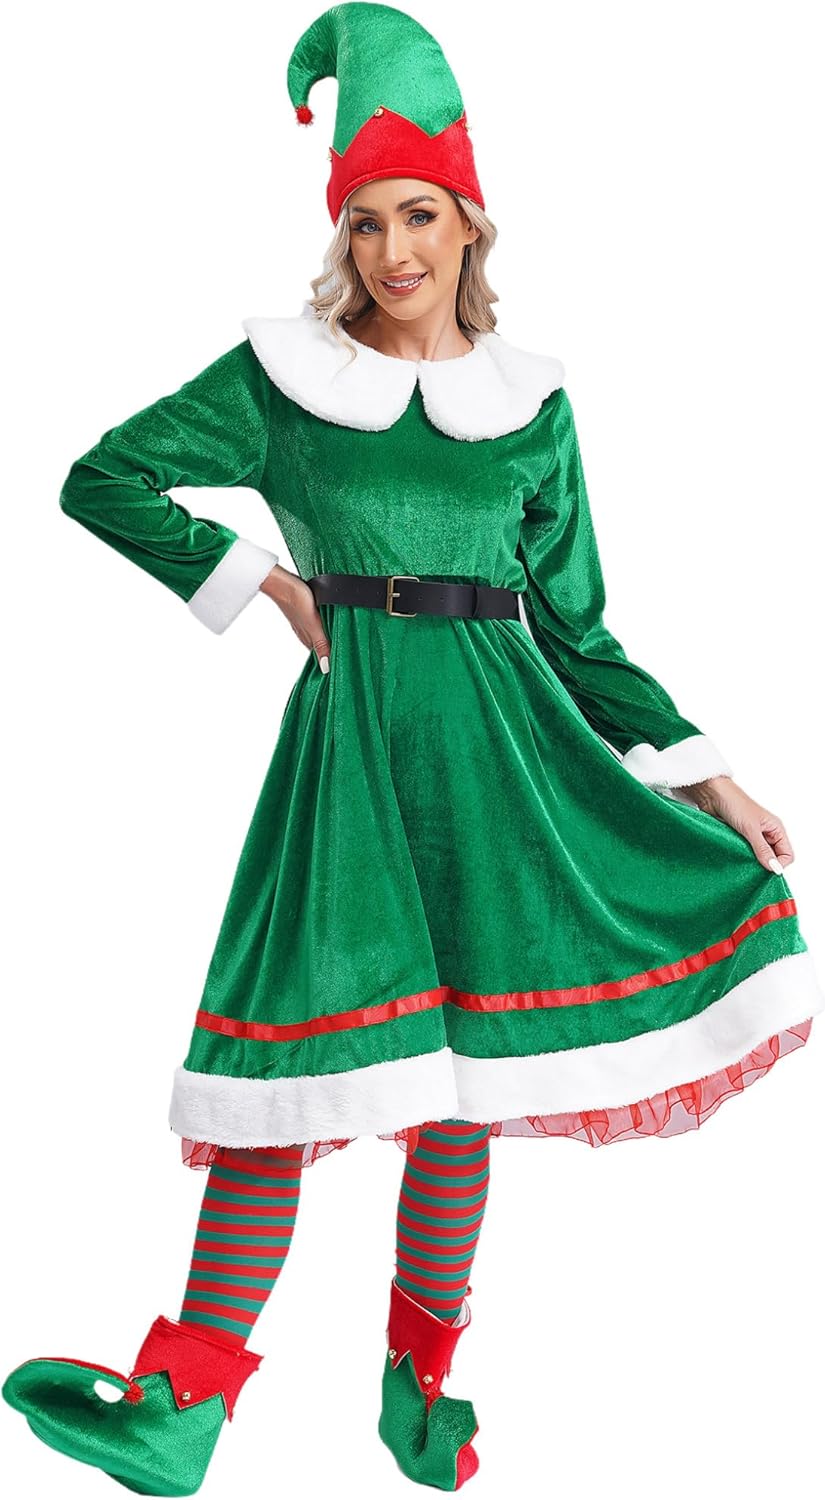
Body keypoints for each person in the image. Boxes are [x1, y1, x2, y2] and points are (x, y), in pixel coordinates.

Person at [4, 3, 823, 1494]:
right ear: (343, 234)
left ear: (469, 226)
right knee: (302, 1056)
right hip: (357, 757)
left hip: (511, 760)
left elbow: (577, 628)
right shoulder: (284, 381)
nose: (393, 250)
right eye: (366, 221)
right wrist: (262, 581)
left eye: (420, 216)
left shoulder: (531, 407)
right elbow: (102, 477)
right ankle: (186, 1400)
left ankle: (418, 1383)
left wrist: (709, 775)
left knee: (467, 1074)